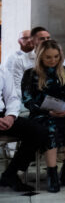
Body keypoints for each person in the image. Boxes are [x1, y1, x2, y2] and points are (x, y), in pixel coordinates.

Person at [21, 40, 65, 192]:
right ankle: (52, 173)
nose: (53, 60)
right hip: (42, 114)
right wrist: (48, 111)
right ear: (41, 57)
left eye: (56, 56)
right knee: (50, 129)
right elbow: (27, 101)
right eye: (48, 57)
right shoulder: (30, 74)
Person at [0, 62, 49, 192]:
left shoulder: (2, 70)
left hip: (4, 116)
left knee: (38, 131)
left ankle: (10, 174)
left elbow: (12, 97)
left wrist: (10, 116)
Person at [9, 27, 52, 91]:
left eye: (48, 38)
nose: (46, 41)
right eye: (42, 39)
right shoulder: (20, 60)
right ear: (33, 41)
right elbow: (17, 88)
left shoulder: (58, 58)